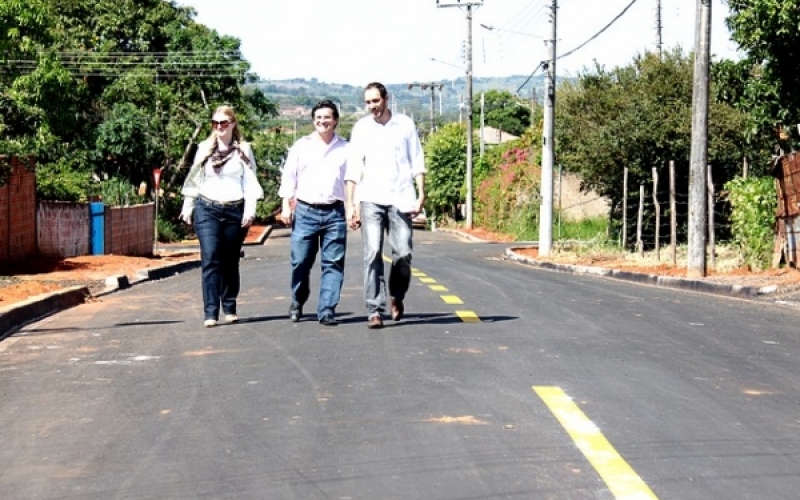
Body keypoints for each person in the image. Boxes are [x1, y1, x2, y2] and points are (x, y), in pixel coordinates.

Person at [345, 82, 426, 329]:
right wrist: (351, 203)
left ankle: (397, 296)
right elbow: (354, 167)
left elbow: (417, 160)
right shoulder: (361, 128)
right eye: (368, 102)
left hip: (401, 197)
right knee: (372, 254)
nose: (372, 107)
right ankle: (374, 309)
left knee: (403, 252)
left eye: (376, 101)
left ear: (386, 99)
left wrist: (421, 193)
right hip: (370, 198)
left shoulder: (405, 125)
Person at [180, 105, 264, 328]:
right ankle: (210, 311)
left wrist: (250, 210)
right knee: (210, 257)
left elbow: (250, 181)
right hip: (207, 208)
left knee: (230, 260)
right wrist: (188, 206)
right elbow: (194, 179)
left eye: (223, 123)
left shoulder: (243, 150)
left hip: (234, 209)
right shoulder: (204, 148)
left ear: (233, 124)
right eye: (215, 123)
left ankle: (229, 305)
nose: (219, 127)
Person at [278, 100, 349, 326]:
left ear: (335, 120)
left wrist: (353, 209)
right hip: (306, 211)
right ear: (313, 121)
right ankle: (297, 300)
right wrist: (285, 206)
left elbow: (352, 181)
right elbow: (289, 176)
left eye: (327, 117)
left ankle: (327, 309)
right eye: (318, 118)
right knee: (300, 261)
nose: (322, 121)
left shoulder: (346, 148)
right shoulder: (301, 145)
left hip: (334, 213)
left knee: (333, 264)